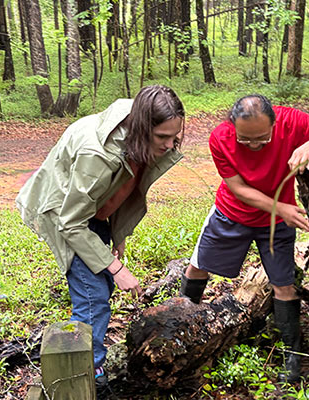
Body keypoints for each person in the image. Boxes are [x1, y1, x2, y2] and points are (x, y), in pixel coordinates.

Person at [16, 85, 185, 387]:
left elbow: (120, 189)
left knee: (99, 287)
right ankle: (82, 376)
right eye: (163, 137)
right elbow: (71, 222)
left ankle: (81, 361)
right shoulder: (99, 155)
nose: (170, 145)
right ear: (142, 127)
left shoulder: (137, 134)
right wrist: (118, 269)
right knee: (93, 297)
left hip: (91, 211)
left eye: (175, 136)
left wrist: (117, 236)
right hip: (66, 214)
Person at [179, 94, 309, 383]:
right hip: (230, 214)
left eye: (262, 137)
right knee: (198, 266)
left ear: (275, 122)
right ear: (232, 126)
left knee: (283, 285)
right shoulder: (219, 138)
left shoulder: (291, 121)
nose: (255, 145)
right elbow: (237, 188)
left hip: (277, 223)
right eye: (245, 140)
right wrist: (280, 207)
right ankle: (182, 325)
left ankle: (292, 356)